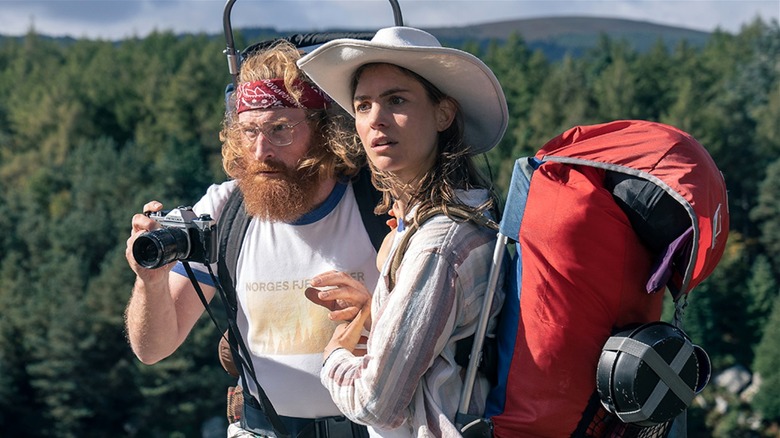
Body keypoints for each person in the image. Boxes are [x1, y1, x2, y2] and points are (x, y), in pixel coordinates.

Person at [124, 40, 388, 438]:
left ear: (324, 130)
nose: (261, 150)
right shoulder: (224, 210)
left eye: (280, 129)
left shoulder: (379, 206)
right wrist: (151, 281)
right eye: (249, 131)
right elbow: (153, 348)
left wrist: (379, 312)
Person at [296, 26, 509, 437]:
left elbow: (375, 403)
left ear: (443, 114)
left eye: (396, 100)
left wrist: (332, 355)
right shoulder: (449, 220)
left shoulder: (438, 244)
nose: (376, 119)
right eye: (362, 105)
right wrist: (378, 311)